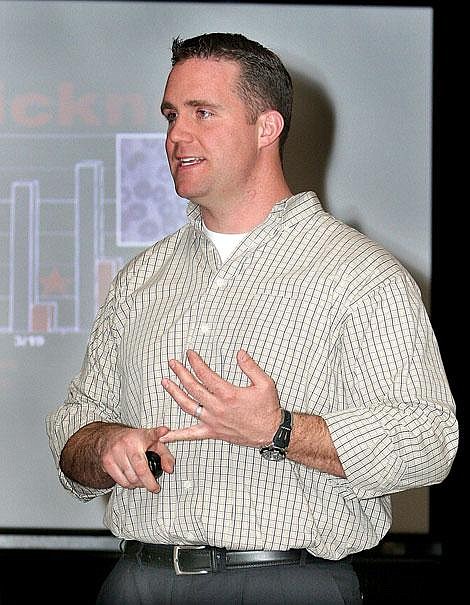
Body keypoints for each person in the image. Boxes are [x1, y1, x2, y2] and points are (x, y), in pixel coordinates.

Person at [46, 33, 458, 605]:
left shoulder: (361, 275)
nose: (176, 136)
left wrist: (279, 430)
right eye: (170, 115)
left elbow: (428, 441)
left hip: (289, 584)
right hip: (138, 582)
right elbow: (75, 430)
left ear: (267, 128)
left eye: (202, 113)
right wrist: (106, 443)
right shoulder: (141, 278)